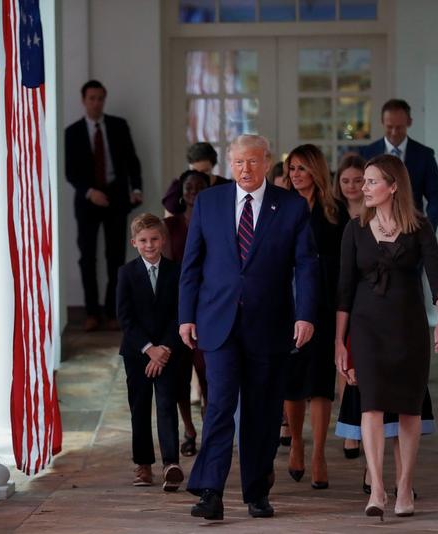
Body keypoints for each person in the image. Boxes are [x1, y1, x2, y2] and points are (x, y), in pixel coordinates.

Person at [180, 134, 319, 520]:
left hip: (270, 324)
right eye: (239, 162)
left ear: (267, 162)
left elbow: (307, 265)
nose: (245, 169)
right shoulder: (209, 202)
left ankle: (257, 492)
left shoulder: (290, 206)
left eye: (253, 161)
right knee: (219, 406)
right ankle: (210, 492)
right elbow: (191, 264)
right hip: (218, 322)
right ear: (230, 163)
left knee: (262, 410)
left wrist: (305, 314)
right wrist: (186, 316)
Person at [335, 155, 438, 520]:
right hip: (366, 328)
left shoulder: (419, 226)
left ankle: (404, 487)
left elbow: (437, 274)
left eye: (372, 181)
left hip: (408, 327)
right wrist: (339, 342)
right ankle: (377, 489)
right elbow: (344, 291)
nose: (364, 188)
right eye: (364, 181)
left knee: (408, 408)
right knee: (370, 405)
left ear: (393, 186)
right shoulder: (354, 228)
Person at [283, 145, 350, 490]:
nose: (295, 175)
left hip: (325, 303)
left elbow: (347, 262)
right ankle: (296, 443)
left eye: (302, 168)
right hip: (288, 303)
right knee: (293, 380)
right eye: (291, 169)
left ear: (316, 171)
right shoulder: (281, 206)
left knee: (321, 381)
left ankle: (319, 454)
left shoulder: (336, 210)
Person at [66, 80, 143, 332]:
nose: (96, 103)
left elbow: (132, 160)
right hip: (87, 201)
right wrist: (90, 193)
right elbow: (69, 171)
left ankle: (112, 312)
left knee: (116, 258)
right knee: (87, 258)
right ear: (83, 100)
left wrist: (136, 189)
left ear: (104, 99)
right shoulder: (72, 132)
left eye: (100, 98)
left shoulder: (118, 126)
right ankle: (91, 313)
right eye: (92, 98)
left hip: (116, 198)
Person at [116, 213, 185, 491]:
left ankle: (171, 463)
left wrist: (164, 348)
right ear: (134, 242)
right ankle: (143, 464)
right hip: (137, 354)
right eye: (143, 240)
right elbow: (125, 317)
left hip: (168, 353)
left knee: (167, 404)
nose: (149, 245)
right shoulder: (126, 273)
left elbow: (180, 313)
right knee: (140, 407)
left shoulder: (176, 272)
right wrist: (149, 349)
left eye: (154, 239)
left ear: (163, 240)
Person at [163, 170, 209, 457]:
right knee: (180, 375)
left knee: (207, 373)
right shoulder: (170, 225)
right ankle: (189, 430)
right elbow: (168, 267)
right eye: (188, 186)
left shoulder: (215, 221)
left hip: (208, 306)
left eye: (199, 186)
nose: (193, 191)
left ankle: (210, 429)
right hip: (178, 306)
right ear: (181, 191)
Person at [359, 99, 438, 229]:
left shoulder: (424, 155)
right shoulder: (366, 153)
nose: (394, 132)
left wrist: (428, 228)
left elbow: (436, 197)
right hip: (373, 227)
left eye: (399, 127)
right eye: (389, 127)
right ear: (382, 122)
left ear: (409, 122)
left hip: (411, 227)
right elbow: (359, 192)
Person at [162, 142, 230, 215]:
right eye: (194, 171)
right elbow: (169, 218)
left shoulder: (227, 187)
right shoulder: (177, 187)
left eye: (204, 171)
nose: (199, 176)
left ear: (212, 167)